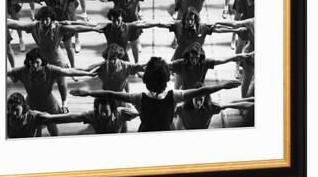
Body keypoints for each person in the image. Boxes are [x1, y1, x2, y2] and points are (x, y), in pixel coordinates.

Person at [71, 57, 240, 132]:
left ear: (146, 80)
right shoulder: (175, 96)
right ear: (166, 79)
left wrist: (87, 92)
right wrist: (224, 85)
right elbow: (202, 91)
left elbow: (111, 93)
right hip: (166, 131)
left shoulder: (138, 98)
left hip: (146, 131)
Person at [7, 48, 95, 135]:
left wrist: (87, 73)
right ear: (28, 61)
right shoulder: (23, 70)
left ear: (42, 61)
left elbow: (68, 71)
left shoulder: (50, 70)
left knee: (52, 127)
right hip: (31, 104)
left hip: (48, 104)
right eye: (32, 62)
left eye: (37, 62)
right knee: (35, 129)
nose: (34, 65)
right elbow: (8, 72)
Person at [174, 83, 255, 129]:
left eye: (201, 100)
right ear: (191, 99)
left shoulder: (211, 107)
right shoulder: (181, 108)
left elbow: (232, 104)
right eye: (196, 100)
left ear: (205, 98)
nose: (199, 103)